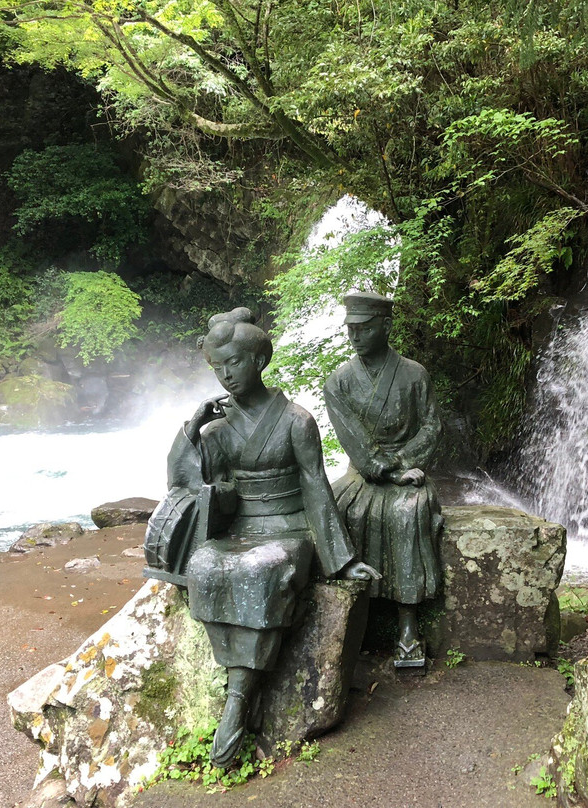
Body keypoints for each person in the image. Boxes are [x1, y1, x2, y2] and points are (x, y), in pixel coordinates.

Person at [163, 308, 377, 767]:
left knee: (260, 570)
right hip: (240, 528)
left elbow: (317, 488)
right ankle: (241, 680)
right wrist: (192, 429)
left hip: (288, 528)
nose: (226, 376)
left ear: (259, 360)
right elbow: (182, 484)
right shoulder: (218, 430)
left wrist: (340, 560)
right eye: (217, 368)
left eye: (234, 364)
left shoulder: (296, 421)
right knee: (204, 566)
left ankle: (240, 696)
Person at [323, 292, 444, 668]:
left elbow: (432, 425)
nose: (355, 336)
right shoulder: (339, 382)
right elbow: (353, 439)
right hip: (365, 474)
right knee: (332, 512)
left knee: (407, 514)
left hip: (411, 474)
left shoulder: (413, 373)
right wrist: (386, 469)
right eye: (350, 329)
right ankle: (349, 617)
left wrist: (406, 463)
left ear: (386, 326)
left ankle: (408, 626)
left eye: (364, 328)